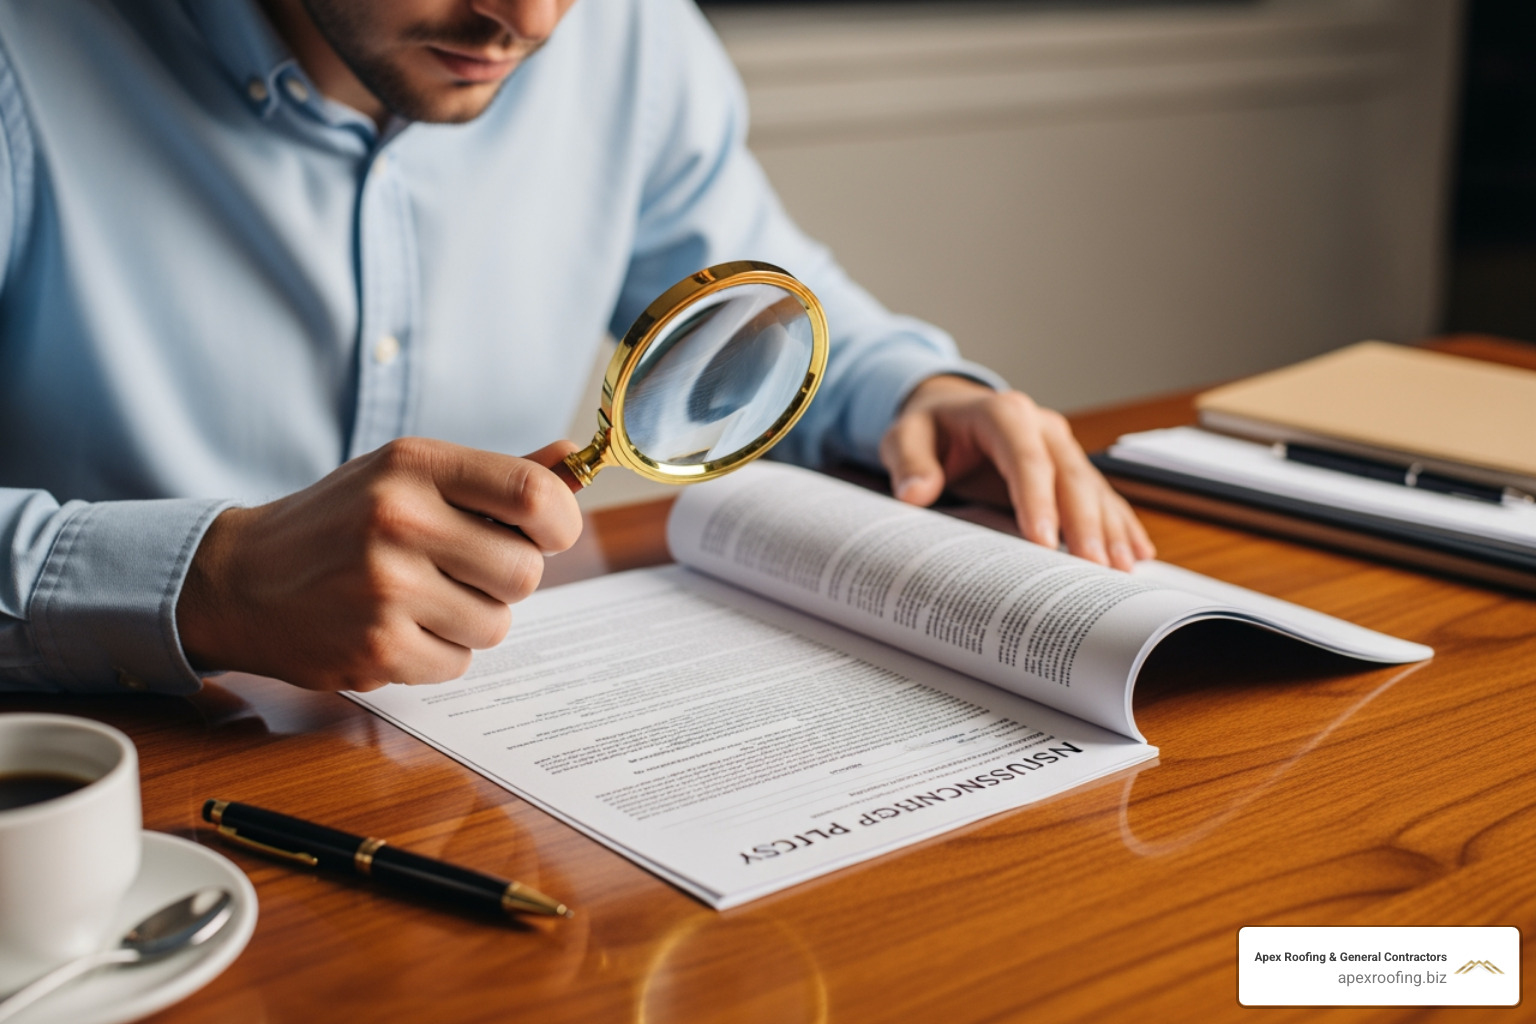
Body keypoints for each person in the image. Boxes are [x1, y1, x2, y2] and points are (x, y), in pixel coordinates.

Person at [0, 0, 1153, 696]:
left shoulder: (628, 34)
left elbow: (760, 296)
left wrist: (915, 386)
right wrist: (212, 586)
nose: (534, 23)